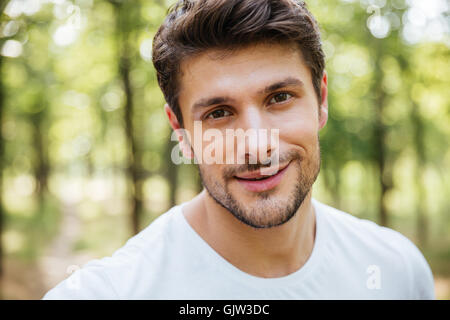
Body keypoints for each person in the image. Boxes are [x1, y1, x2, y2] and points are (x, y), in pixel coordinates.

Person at [43, 0, 434, 299]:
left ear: (321, 98)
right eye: (218, 112)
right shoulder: (109, 291)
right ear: (180, 129)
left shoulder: (396, 269)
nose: (257, 144)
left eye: (280, 97)